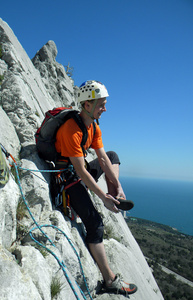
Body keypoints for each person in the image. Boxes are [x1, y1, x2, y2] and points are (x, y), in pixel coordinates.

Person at [55, 80, 137, 295]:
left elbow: (102, 158)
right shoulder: (71, 130)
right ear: (87, 105)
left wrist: (116, 186)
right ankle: (110, 281)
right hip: (66, 178)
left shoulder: (93, 126)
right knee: (96, 225)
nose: (105, 108)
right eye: (101, 104)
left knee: (112, 156)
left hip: (77, 172)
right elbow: (80, 171)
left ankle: (114, 195)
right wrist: (102, 198)